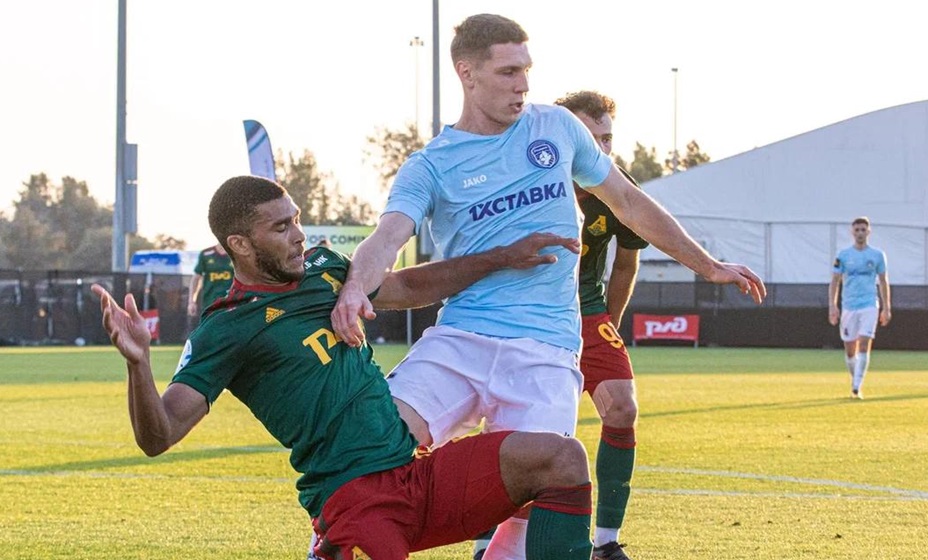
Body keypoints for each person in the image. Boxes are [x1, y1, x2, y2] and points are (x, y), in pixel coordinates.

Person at [331, 13, 766, 560]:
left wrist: (707, 264)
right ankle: (332, 544)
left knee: (530, 503)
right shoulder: (431, 164)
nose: (523, 85)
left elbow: (628, 202)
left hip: (546, 352)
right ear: (467, 73)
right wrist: (355, 287)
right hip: (460, 340)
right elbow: (387, 237)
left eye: (527, 70)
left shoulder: (556, 127)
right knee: (370, 443)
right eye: (508, 72)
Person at [91, 175, 596, 560]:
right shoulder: (226, 328)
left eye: (296, 219)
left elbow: (408, 286)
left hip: (416, 475)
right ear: (240, 244)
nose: (298, 235)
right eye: (281, 227)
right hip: (355, 501)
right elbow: (158, 435)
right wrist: (139, 366)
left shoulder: (324, 269)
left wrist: (500, 257)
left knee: (561, 458)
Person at [828, 216, 891, 399]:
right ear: (852, 232)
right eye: (857, 230)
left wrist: (886, 307)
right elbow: (835, 281)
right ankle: (855, 380)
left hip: (869, 305)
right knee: (850, 349)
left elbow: (883, 281)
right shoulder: (843, 255)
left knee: (864, 343)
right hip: (849, 306)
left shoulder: (877, 255)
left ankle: (856, 387)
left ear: (868, 232)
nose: (860, 233)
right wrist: (833, 306)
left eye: (863, 230)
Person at [187, 243, 234, 318]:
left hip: (231, 304)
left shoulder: (237, 254)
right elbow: (196, 278)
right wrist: (191, 302)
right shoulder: (205, 254)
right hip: (209, 303)